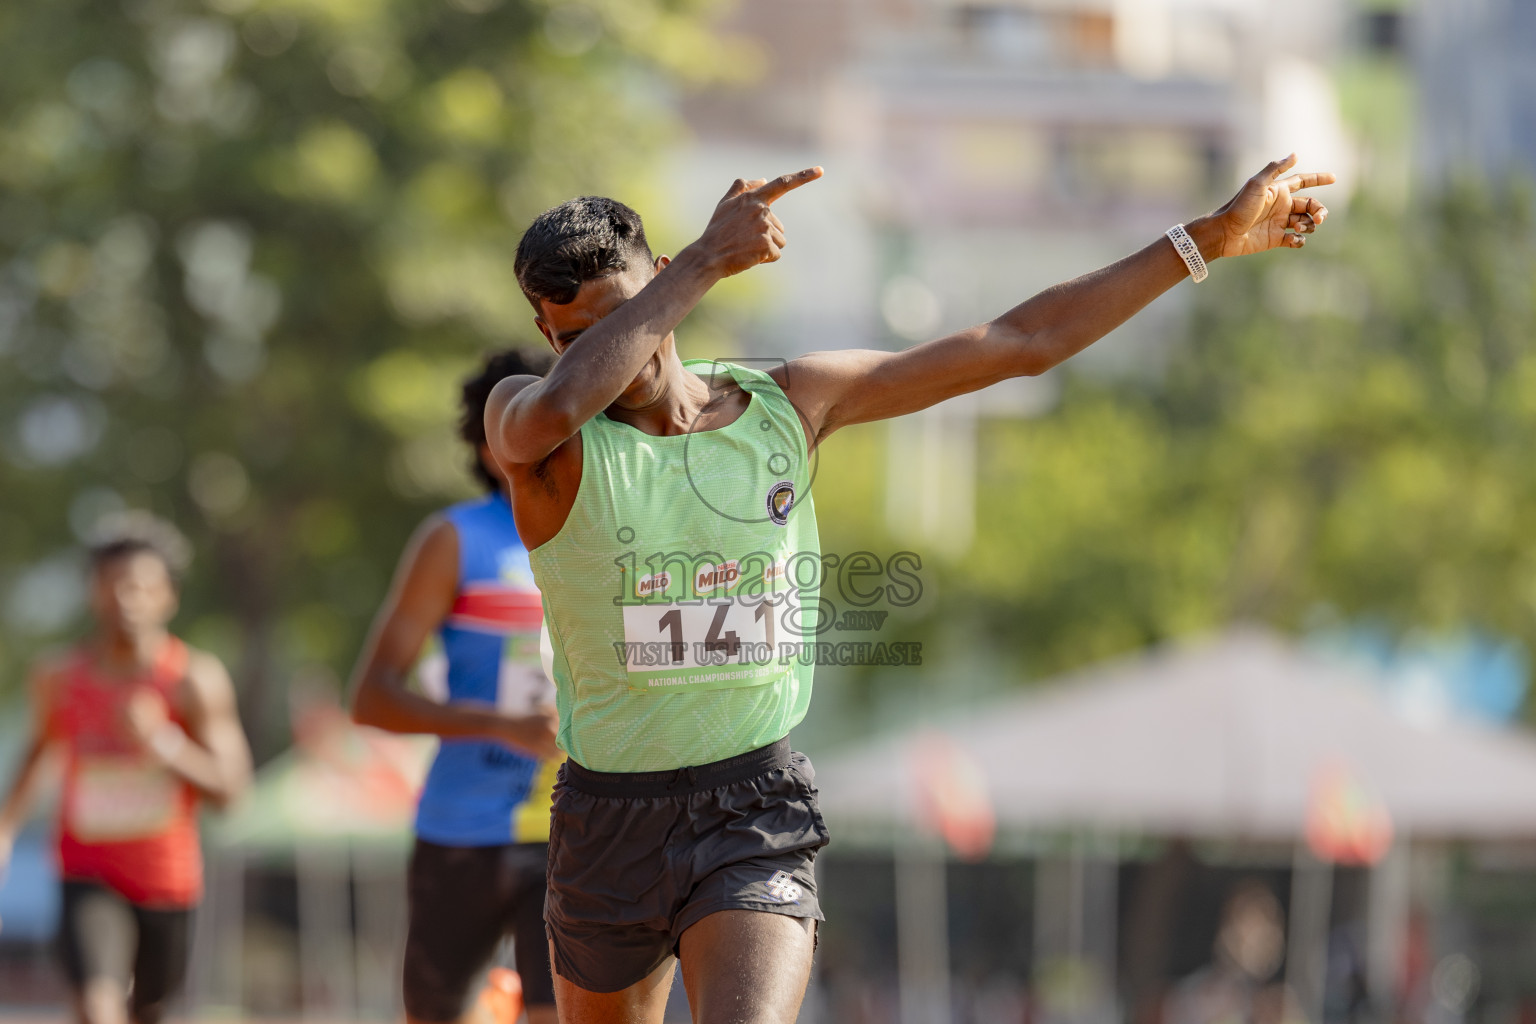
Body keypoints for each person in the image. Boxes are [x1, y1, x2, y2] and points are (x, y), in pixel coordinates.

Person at [485, 155, 1334, 1023]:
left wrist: (1204, 241)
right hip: (609, 817)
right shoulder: (536, 427)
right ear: (551, 344)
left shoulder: (787, 405)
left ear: (654, 280)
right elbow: (555, 409)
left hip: (751, 807)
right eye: (575, 339)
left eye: (619, 317)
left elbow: (1018, 345)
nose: (606, 359)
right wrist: (707, 261)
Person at [350, 348, 563, 1024]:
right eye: (517, 419)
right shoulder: (453, 540)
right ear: (485, 441)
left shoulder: (609, 536)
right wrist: (503, 727)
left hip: (572, 827)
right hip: (460, 827)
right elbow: (372, 696)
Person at [0, 512, 252, 1024]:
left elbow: (232, 792)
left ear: (168, 596)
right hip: (86, 871)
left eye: (139, 587)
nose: (125, 599)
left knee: (148, 1012)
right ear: (91, 592)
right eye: (111, 585)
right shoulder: (58, 677)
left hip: (168, 882)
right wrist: (4, 830)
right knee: (98, 1007)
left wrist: (163, 743)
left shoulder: (193, 680)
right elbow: (36, 757)